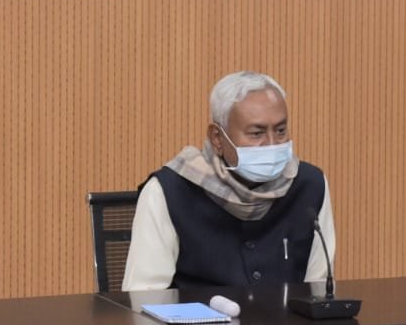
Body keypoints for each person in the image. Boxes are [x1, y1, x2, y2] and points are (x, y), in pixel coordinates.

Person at [122, 72, 336, 291]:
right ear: (217, 138)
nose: (272, 144)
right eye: (257, 133)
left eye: (280, 131)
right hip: (197, 315)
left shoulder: (310, 186)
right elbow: (144, 296)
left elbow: (319, 290)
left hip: (287, 315)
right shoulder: (169, 191)